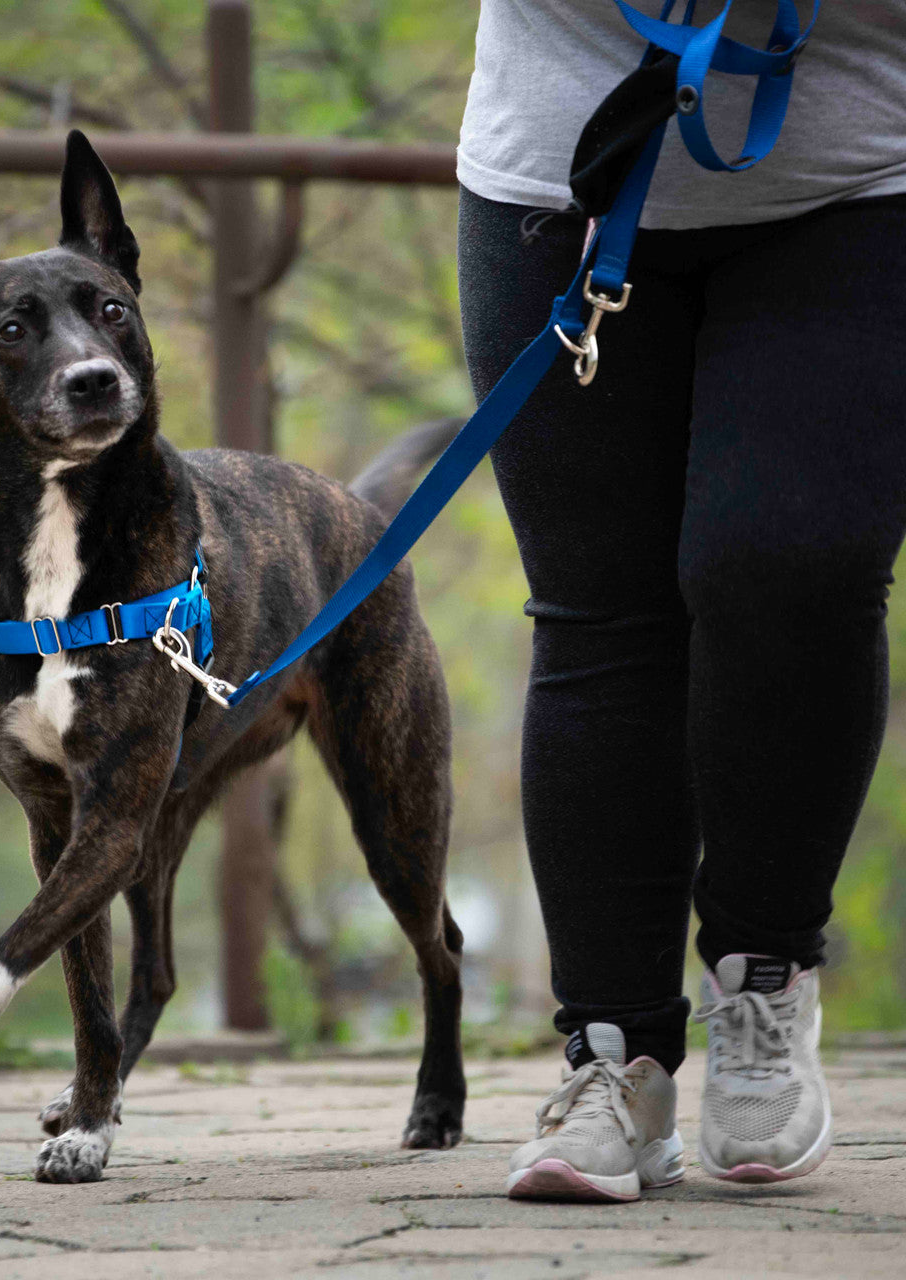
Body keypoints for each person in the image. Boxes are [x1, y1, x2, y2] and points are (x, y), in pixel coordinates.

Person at [455, 0, 906, 1202]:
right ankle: (616, 1058)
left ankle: (763, 978)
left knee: (790, 561)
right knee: (601, 612)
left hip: (865, 172)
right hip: (565, 166)